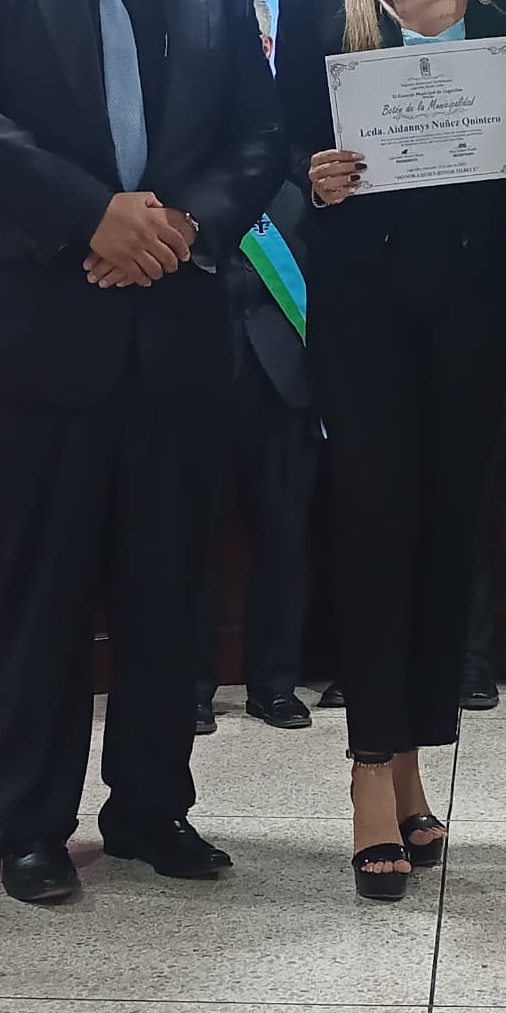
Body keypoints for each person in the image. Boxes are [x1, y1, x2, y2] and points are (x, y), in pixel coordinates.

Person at [0, 0, 283, 905]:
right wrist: (96, 216)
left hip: (177, 342)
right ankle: (28, 823)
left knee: (170, 594)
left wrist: (178, 230)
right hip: (38, 345)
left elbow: (258, 142)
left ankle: (150, 810)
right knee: (43, 596)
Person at [275, 0, 506, 898]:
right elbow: (284, 145)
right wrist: (313, 173)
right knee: (371, 525)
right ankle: (365, 777)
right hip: (362, 308)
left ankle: (410, 763)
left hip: (473, 306)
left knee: (445, 532)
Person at [195, 173, 318, 735]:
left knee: (284, 541)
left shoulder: (292, 198)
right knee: (188, 547)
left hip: (282, 388)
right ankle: (191, 690)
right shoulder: (178, 188)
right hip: (196, 387)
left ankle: (274, 686)